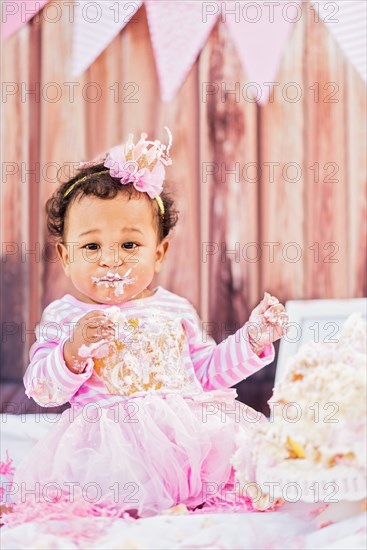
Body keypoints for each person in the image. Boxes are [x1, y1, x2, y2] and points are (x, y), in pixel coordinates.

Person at [13, 128, 288, 517]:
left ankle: (199, 505)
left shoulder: (173, 309)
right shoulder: (65, 316)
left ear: (158, 253)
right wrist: (72, 351)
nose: (111, 259)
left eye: (129, 245)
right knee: (111, 506)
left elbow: (205, 374)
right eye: (91, 246)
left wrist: (251, 338)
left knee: (239, 479)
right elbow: (42, 389)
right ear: (64, 255)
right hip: (112, 451)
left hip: (187, 443)